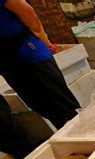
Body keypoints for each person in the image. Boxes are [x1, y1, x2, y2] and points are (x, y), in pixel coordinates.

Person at [0, 0, 79, 129]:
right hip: (9, 64)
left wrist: (44, 41)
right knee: (46, 109)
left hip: (28, 55)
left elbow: (27, 13)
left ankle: (90, 143)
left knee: (65, 110)